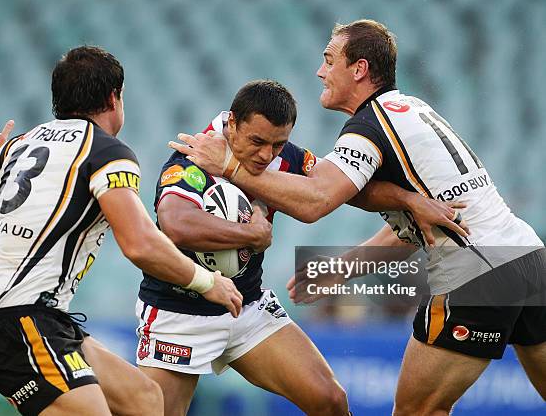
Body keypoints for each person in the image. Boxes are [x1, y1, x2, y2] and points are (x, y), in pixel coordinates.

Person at [169, 20, 546, 415]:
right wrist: (340, 268)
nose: (320, 72)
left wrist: (229, 166)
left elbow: (316, 201)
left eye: (329, 60)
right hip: (526, 257)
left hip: (476, 270)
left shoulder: (369, 126)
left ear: (359, 69)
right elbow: (422, 230)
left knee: (418, 410)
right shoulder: (412, 109)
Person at [140, 79, 468, 416]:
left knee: (330, 400)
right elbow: (176, 224)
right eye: (257, 142)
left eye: (278, 145)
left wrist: (409, 200)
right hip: (179, 312)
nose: (266, 155)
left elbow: (346, 188)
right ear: (232, 124)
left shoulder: (284, 158)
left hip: (247, 307)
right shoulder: (192, 159)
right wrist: (249, 236)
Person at [0, 45, 242, 416]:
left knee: (146, 400)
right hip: (17, 324)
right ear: (113, 97)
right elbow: (139, 245)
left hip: (34, 321)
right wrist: (207, 281)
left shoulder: (22, 144)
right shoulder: (107, 152)